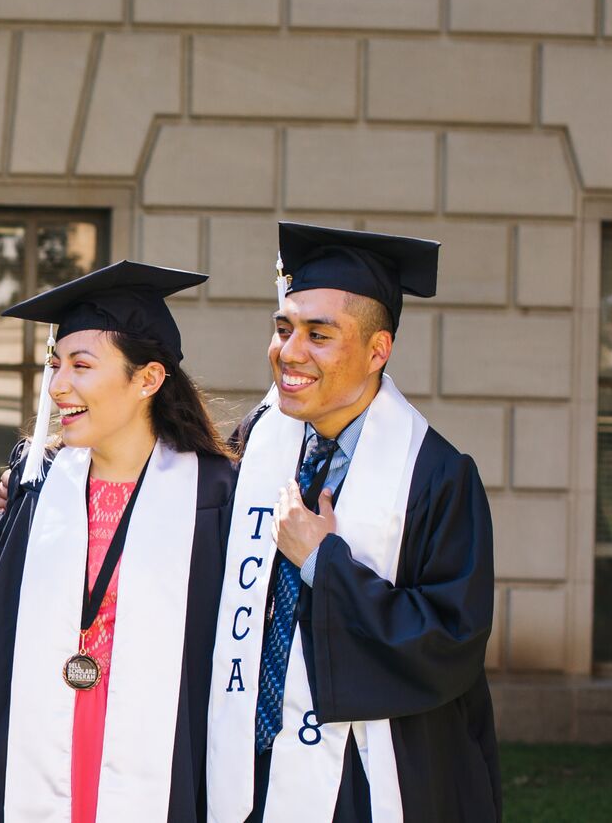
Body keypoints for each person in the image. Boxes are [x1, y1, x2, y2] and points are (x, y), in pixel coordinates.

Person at [205, 221, 498, 822]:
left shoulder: (436, 477)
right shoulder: (255, 445)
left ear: (377, 350)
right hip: (246, 768)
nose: (289, 352)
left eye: (319, 335)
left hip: (367, 776)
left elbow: (450, 640)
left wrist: (322, 563)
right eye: (283, 329)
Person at [0, 260, 239, 823]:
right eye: (56, 364)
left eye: (81, 366)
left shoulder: (213, 494)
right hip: (42, 742)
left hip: (160, 755)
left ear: (148, 380)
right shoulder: (38, 482)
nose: (58, 385)